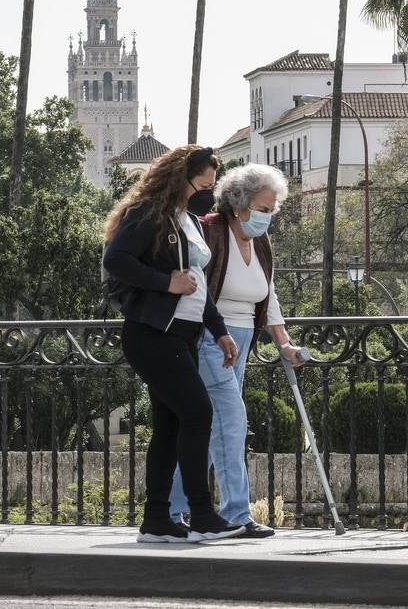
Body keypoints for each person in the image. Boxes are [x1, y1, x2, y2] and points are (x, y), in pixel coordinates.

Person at [102, 145, 245, 544]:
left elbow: (198, 284)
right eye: (204, 182)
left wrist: (219, 330)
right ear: (182, 177)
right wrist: (167, 283)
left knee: (170, 426)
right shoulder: (149, 214)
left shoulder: (189, 220)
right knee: (199, 413)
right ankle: (201, 514)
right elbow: (117, 260)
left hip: (183, 334)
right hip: (152, 333)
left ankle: (157, 519)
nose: (208, 190)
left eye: (211, 184)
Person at [169, 163, 305, 537]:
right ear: (240, 204)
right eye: (263, 209)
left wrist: (284, 343)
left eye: (272, 210)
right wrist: (211, 332)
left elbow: (269, 296)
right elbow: (195, 286)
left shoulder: (260, 241)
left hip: (243, 338)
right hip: (211, 339)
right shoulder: (209, 231)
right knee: (232, 421)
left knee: (206, 424)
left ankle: (172, 509)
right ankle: (236, 514)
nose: (268, 217)